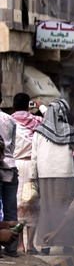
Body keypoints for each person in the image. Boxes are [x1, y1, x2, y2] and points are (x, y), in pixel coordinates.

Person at [30, 99, 74, 255]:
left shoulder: (39, 131)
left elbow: (34, 156)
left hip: (45, 175)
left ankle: (46, 246)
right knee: (67, 208)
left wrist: (33, 177)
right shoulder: (69, 129)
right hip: (65, 175)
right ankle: (67, 244)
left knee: (47, 209)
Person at [11, 93, 44, 255]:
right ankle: (30, 245)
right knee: (32, 204)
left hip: (14, 165)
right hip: (33, 166)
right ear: (28, 105)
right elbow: (50, 118)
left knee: (17, 206)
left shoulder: (8, 120)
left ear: (14, 105)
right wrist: (40, 106)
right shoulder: (37, 121)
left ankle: (19, 245)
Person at [0, 94, 19, 257]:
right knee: (11, 209)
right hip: (10, 166)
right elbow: (12, 145)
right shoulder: (9, 119)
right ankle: (12, 248)